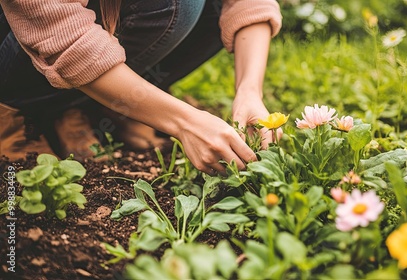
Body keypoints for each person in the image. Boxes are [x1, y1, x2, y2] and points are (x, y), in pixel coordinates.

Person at [0, 0, 282, 175]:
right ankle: (15, 109)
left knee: (211, 6)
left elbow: (249, 2)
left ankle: (89, 106)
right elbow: (59, 32)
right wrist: (184, 123)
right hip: (28, 33)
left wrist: (249, 92)